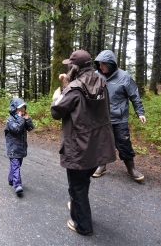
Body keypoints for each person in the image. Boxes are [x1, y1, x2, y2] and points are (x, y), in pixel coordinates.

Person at [51, 49, 116, 236]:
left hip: (78, 145)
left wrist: (58, 97)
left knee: (77, 185)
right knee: (84, 179)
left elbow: (57, 112)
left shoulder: (74, 89)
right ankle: (79, 205)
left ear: (76, 67)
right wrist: (69, 81)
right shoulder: (102, 81)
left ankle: (83, 225)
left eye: (71, 65)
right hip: (97, 144)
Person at [92, 50, 146, 181]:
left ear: (110, 64)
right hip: (101, 118)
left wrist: (140, 112)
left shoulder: (124, 76)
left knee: (124, 143)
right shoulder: (95, 75)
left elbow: (134, 95)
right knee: (101, 142)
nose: (100, 67)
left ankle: (131, 168)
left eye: (102, 64)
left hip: (119, 118)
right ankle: (101, 166)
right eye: (98, 64)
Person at [5, 98, 35, 196]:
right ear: (14, 109)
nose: (22, 110)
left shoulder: (22, 118)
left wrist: (27, 119)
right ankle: (17, 184)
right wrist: (21, 119)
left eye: (23, 108)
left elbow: (30, 127)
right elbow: (16, 129)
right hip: (13, 147)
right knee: (16, 165)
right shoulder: (10, 120)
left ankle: (11, 179)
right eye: (19, 108)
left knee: (17, 164)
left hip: (21, 147)